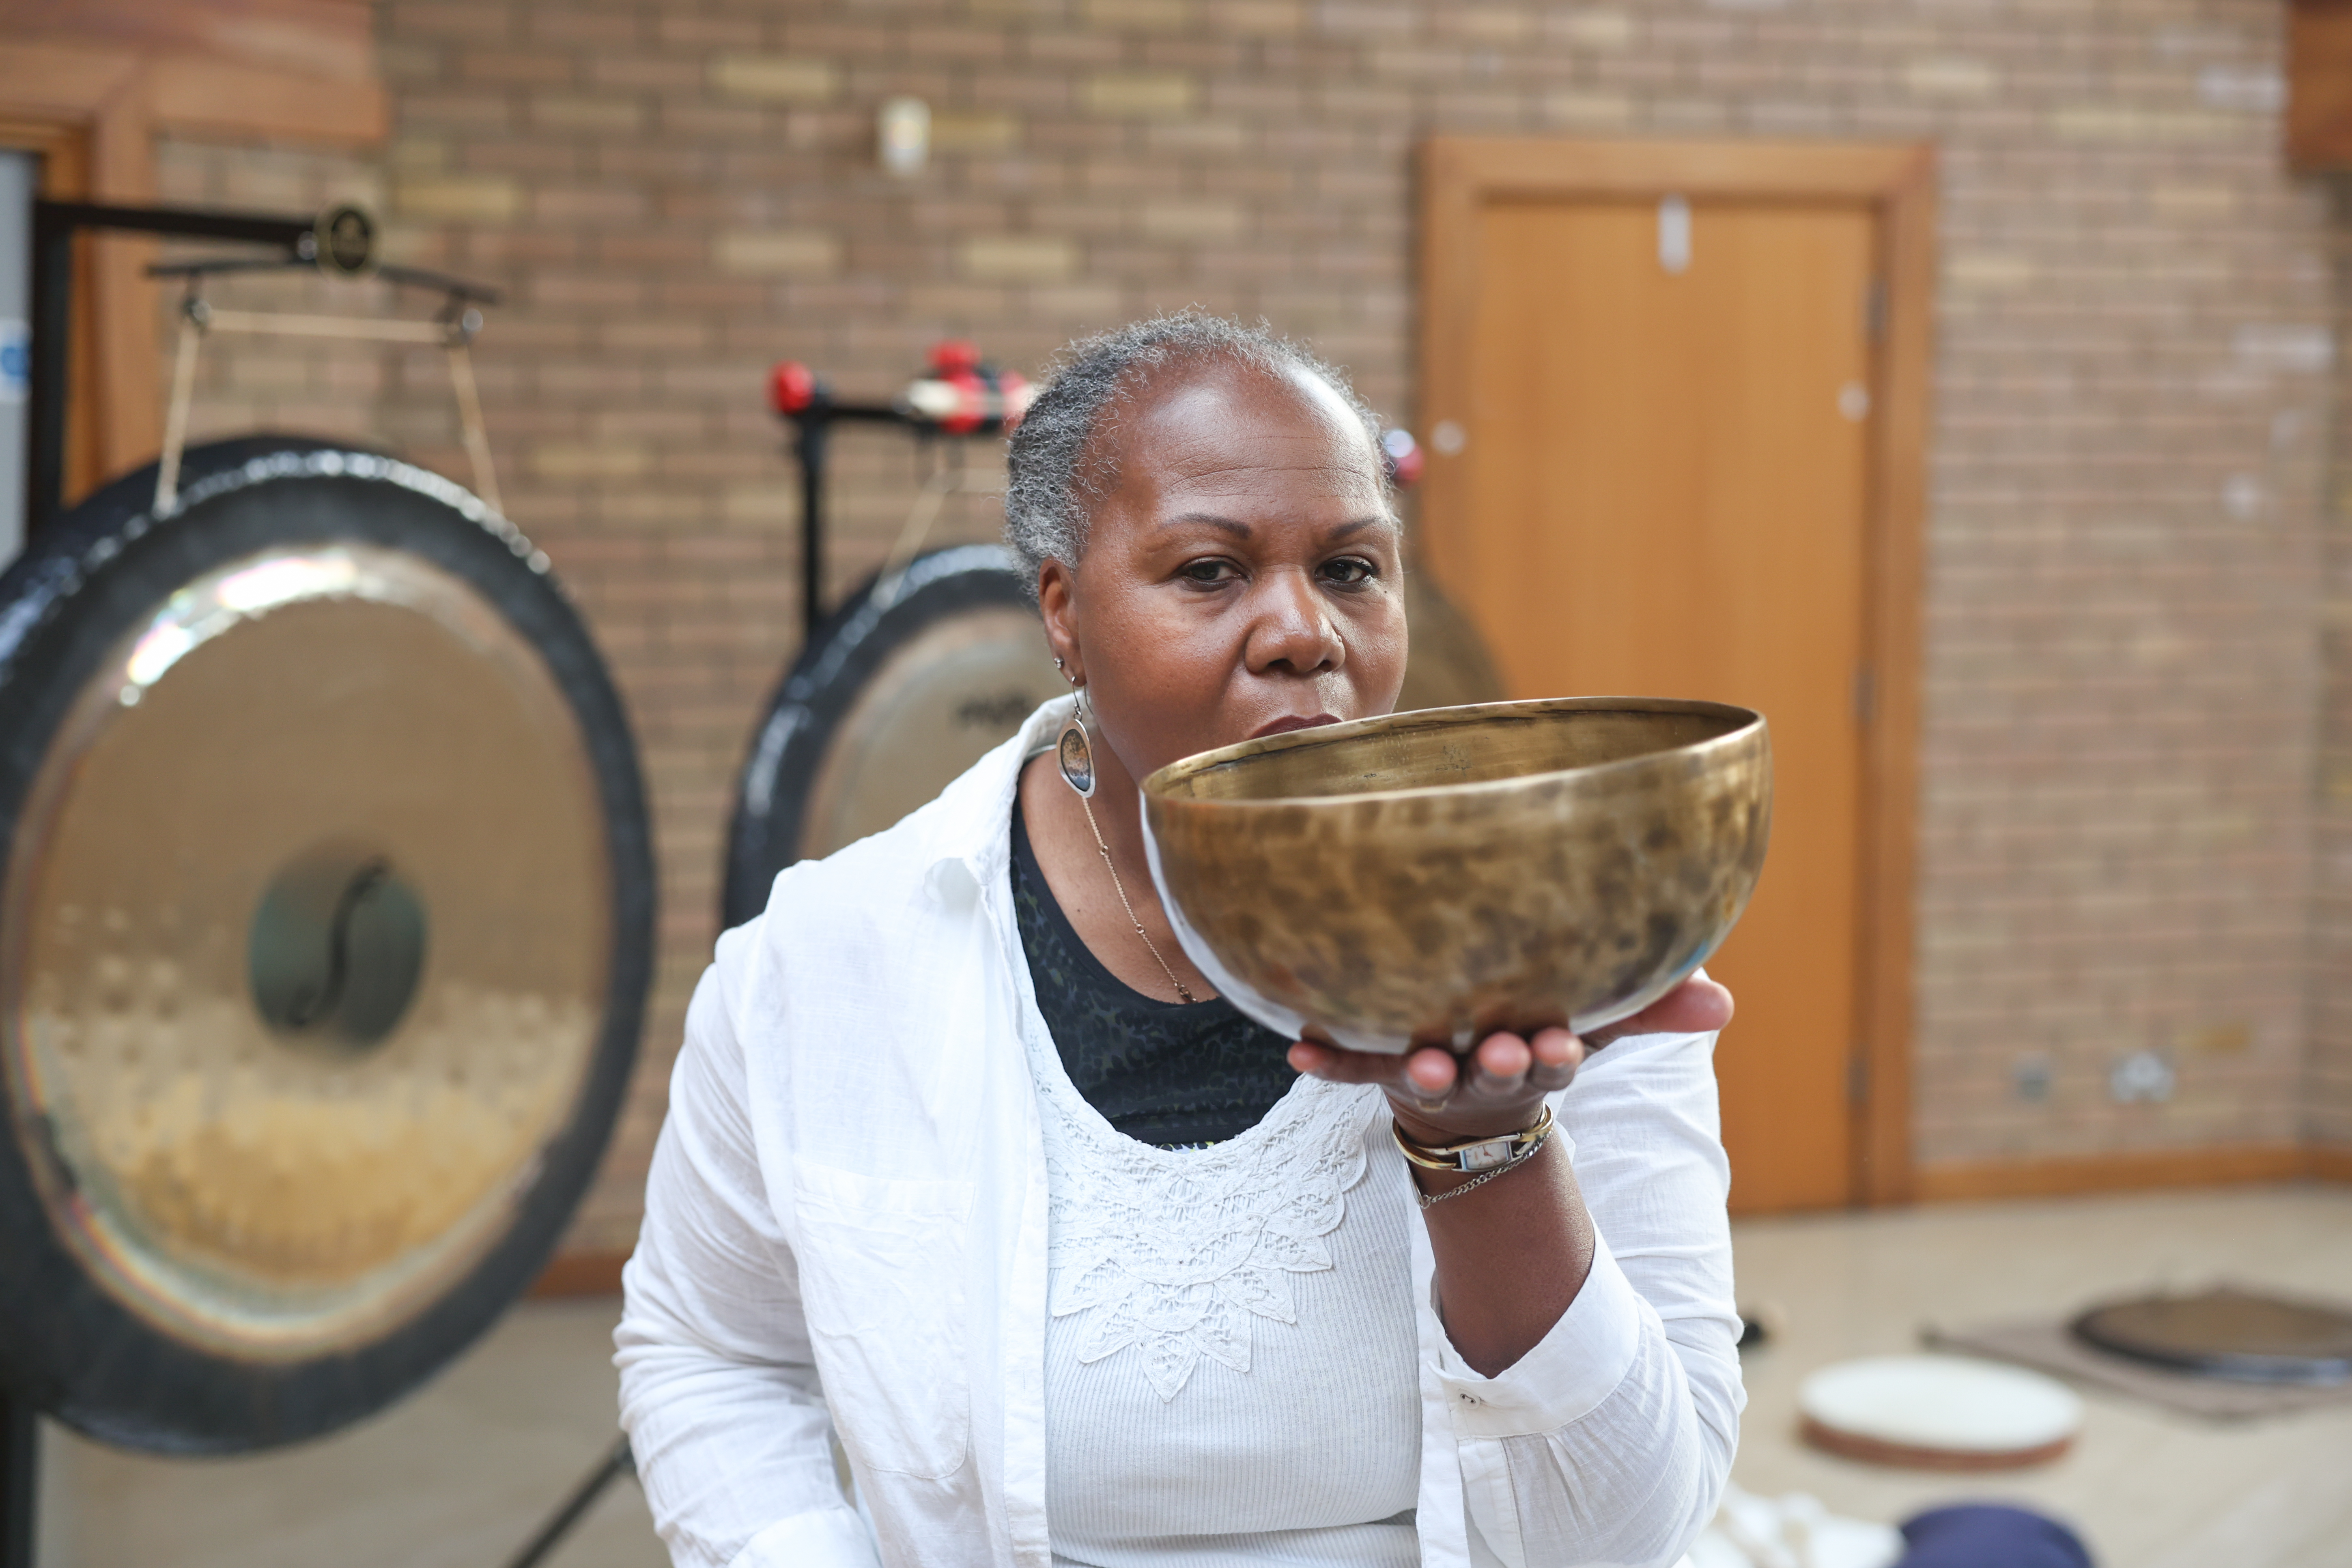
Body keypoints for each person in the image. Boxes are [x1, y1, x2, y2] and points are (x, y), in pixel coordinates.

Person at [615, 312, 1744, 1568]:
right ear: (1064, 610)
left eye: (1353, 569)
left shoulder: (1570, 955)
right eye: (1211, 571)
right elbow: (709, 1351)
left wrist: (1488, 1146)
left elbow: (1634, 1530)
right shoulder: (823, 965)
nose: (1301, 630)